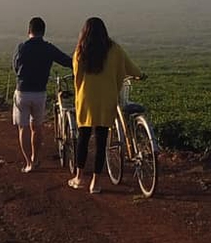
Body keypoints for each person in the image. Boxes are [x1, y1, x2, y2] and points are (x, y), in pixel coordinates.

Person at [69, 16, 140, 194]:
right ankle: (96, 183)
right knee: (102, 141)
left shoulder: (80, 51)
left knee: (83, 138)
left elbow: (77, 78)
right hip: (107, 99)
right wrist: (140, 74)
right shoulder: (114, 49)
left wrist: (79, 96)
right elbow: (128, 66)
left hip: (86, 99)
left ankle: (79, 178)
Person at [12, 16, 71, 172]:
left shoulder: (21, 48)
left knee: (23, 128)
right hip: (39, 93)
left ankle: (28, 163)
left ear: (28, 31)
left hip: (23, 92)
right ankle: (35, 158)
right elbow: (67, 61)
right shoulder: (48, 48)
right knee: (37, 127)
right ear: (43, 32)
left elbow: (16, 68)